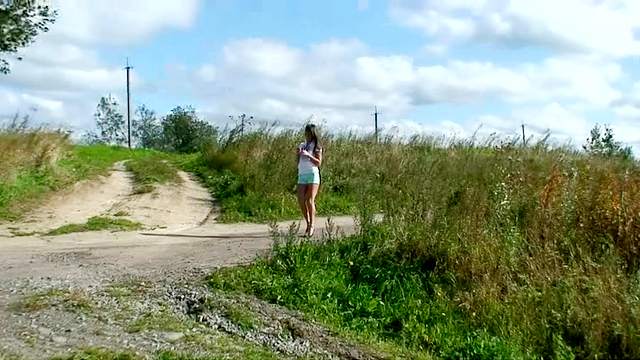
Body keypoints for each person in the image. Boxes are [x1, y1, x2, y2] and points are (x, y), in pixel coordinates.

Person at [296, 124, 323, 237]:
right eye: (305, 132)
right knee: (301, 199)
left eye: (308, 132)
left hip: (312, 174)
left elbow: (318, 162)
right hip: (302, 173)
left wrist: (308, 154)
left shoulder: (316, 146)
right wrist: (298, 153)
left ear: (312, 133)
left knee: (310, 200)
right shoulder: (302, 144)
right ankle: (307, 222)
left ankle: (312, 225)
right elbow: (298, 161)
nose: (306, 134)